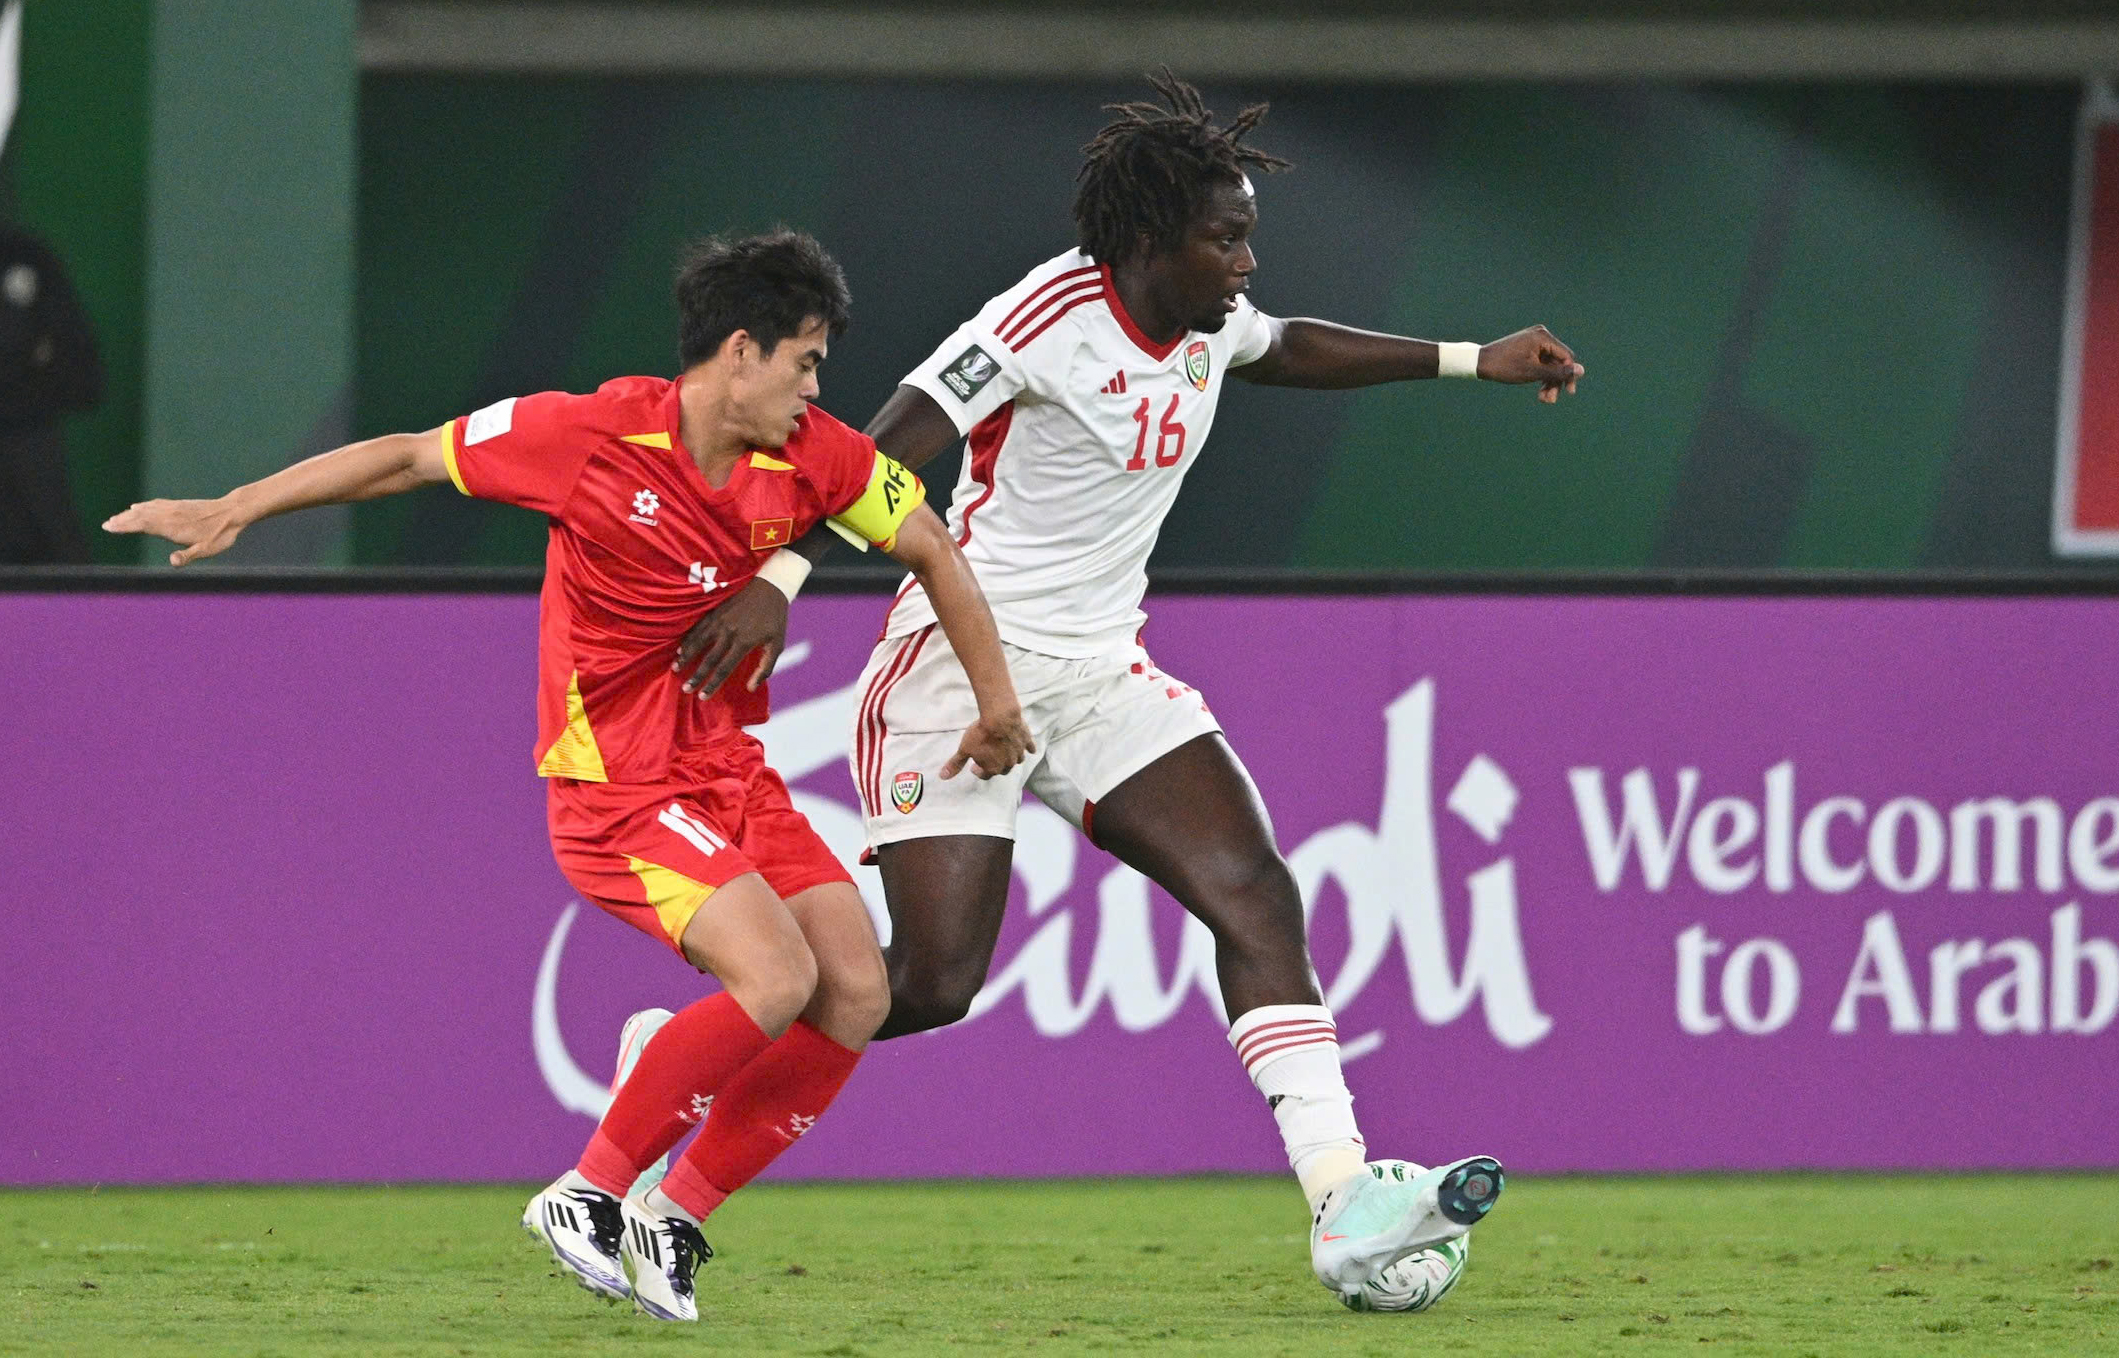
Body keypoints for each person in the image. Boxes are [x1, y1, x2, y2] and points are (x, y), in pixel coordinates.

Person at [671, 75, 1583, 1310]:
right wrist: (780, 575)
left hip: (1103, 671)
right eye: (1226, 237)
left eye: (1247, 233)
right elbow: (892, 442)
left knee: (1254, 891)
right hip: (958, 666)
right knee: (928, 984)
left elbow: (1285, 347)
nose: (1246, 260)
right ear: (1151, 241)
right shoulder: (1042, 315)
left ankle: (1341, 1198)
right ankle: (686, 1050)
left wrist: (1474, 359)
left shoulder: (1212, 317)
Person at [104, 230, 1034, 1323]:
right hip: (617, 787)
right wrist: (237, 506)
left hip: (729, 772)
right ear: (740, 351)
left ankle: (674, 1211)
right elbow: (408, 457)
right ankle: (586, 1190)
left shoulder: (817, 455)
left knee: (860, 989)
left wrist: (997, 706)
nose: (818, 388)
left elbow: (932, 548)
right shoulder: (588, 436)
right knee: (777, 977)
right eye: (806, 360)